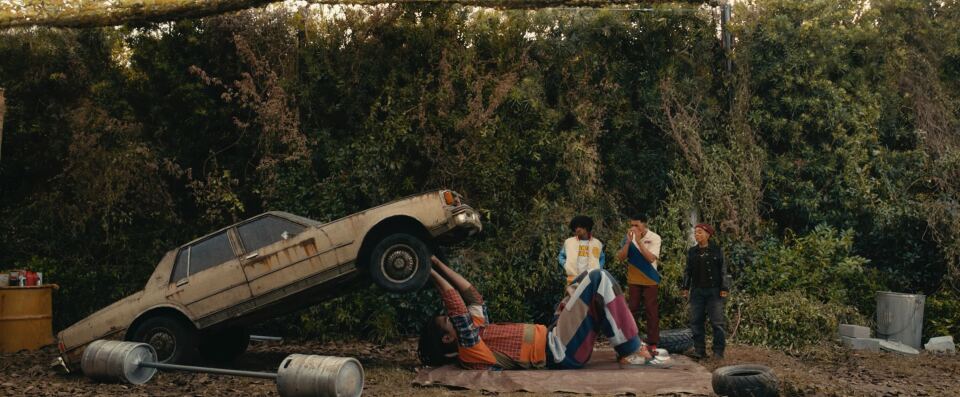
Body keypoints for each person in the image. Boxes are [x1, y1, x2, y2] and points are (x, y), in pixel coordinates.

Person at [418, 256, 670, 370]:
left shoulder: (478, 328)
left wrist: (437, 264)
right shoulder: (470, 351)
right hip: (559, 352)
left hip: (554, 334)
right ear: (448, 338)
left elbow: (471, 297)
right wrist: (428, 273)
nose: (451, 317)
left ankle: (626, 344)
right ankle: (631, 351)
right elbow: (458, 309)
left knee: (584, 278)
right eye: (447, 321)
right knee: (598, 278)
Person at [615, 214, 662, 355]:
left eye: (637, 225)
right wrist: (628, 242)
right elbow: (620, 258)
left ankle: (653, 343)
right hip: (633, 279)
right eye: (632, 225)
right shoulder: (628, 237)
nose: (634, 228)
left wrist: (640, 242)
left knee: (651, 311)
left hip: (650, 278)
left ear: (644, 225)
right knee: (631, 310)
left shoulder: (654, 237)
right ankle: (630, 342)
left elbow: (650, 258)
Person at [681, 223, 730, 360]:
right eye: (696, 233)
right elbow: (688, 271)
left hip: (714, 291)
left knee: (717, 322)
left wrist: (724, 288)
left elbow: (723, 271)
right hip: (697, 291)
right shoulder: (692, 251)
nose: (697, 235)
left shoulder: (716, 250)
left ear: (708, 234)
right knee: (696, 321)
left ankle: (718, 352)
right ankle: (699, 350)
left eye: (700, 232)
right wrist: (685, 287)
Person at [558, 215, 605, 285]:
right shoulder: (568, 242)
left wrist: (598, 268)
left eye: (580, 226)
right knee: (573, 296)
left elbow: (601, 258)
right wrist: (566, 265)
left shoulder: (597, 243)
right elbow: (561, 256)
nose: (577, 229)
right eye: (575, 227)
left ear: (587, 227)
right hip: (572, 280)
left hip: (591, 280)